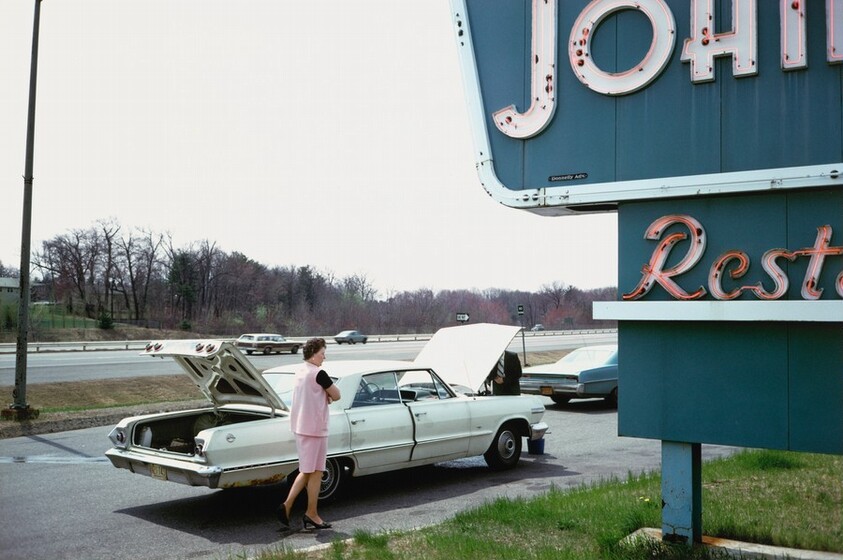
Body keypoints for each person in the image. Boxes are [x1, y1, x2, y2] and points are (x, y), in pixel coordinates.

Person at [276, 337, 341, 531]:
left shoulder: (300, 371)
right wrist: (327, 395)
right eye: (322, 353)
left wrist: (323, 395)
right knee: (313, 470)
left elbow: (310, 395)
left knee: (311, 470)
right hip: (315, 428)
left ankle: (306, 511)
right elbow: (337, 395)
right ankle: (299, 509)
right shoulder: (319, 373)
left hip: (300, 426)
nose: (324, 357)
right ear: (313, 354)